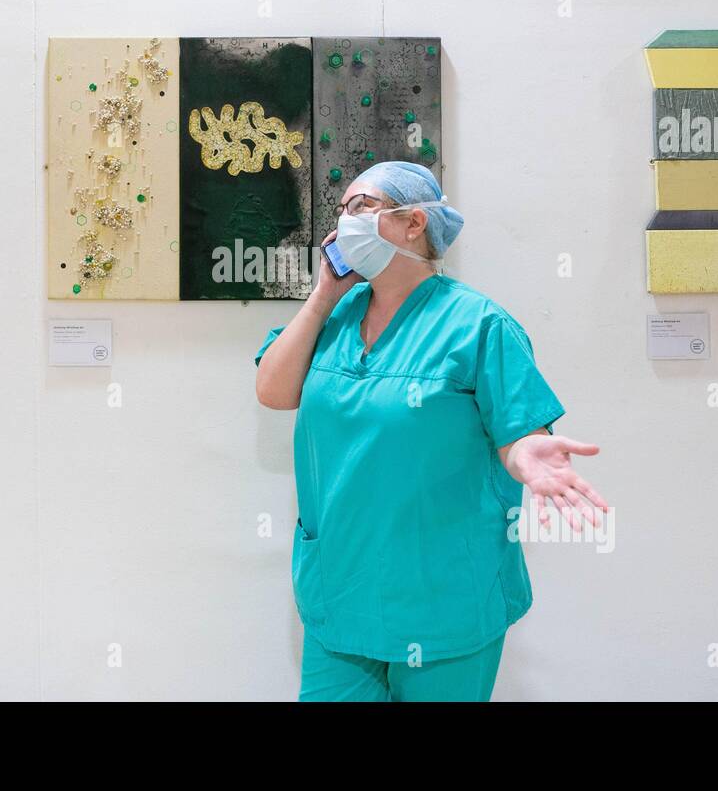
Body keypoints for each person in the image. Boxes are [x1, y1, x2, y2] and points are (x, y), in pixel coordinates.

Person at [254, 160, 607, 702]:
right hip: (341, 594)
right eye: (342, 210)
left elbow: (520, 431)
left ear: (414, 223)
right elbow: (274, 391)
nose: (344, 222)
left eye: (361, 207)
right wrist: (325, 293)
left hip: (442, 598)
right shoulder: (337, 318)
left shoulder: (479, 325)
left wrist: (528, 450)